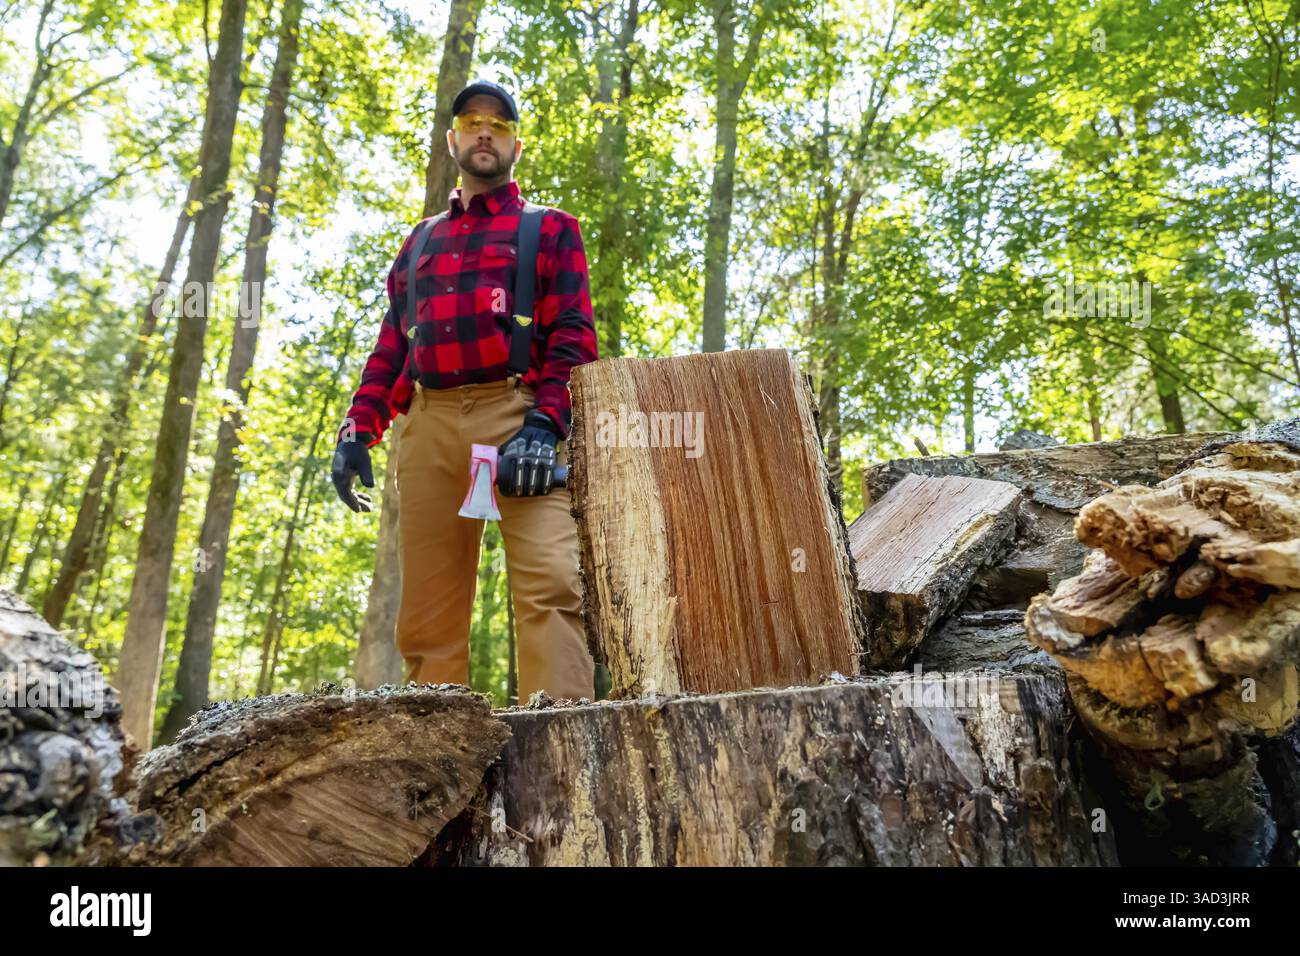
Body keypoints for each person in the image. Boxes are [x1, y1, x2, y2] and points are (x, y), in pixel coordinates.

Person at [331, 79, 598, 701]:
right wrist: (357, 432)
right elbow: (391, 348)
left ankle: (561, 751)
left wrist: (543, 427)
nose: (485, 131)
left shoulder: (551, 230)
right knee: (429, 614)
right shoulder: (420, 241)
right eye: (472, 121)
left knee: (554, 586)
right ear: (452, 139)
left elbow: (574, 339)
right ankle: (439, 766)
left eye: (499, 125)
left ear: (516, 146)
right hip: (428, 426)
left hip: (519, 420)